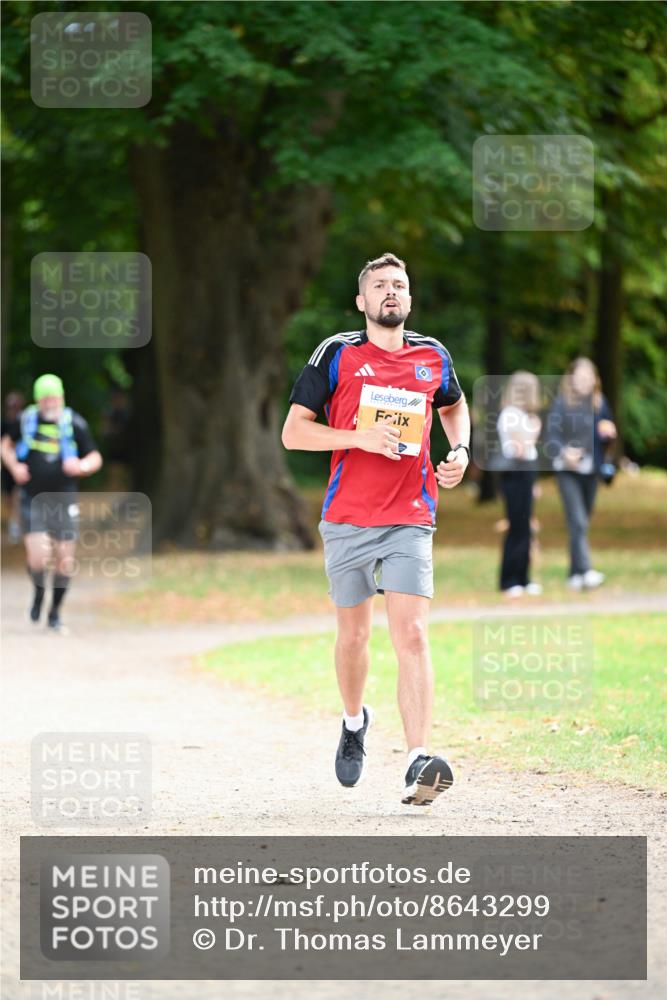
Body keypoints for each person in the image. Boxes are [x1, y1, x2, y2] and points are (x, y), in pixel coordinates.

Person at [282, 252, 470, 807]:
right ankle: (354, 719)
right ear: (361, 302)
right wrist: (358, 438)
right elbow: (294, 434)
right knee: (355, 637)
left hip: (411, 516)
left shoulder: (432, 356)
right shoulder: (336, 354)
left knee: (411, 634)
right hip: (347, 518)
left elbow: (454, 409)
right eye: (380, 286)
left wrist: (460, 450)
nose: (392, 292)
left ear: (409, 300)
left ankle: (418, 761)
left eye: (400, 285)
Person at [0, 373, 103, 633]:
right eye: (45, 398)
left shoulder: (74, 423)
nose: (50, 402)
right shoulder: (25, 421)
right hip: (32, 497)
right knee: (38, 557)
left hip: (64, 497)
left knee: (64, 559)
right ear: (38, 399)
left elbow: (95, 457)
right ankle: (38, 592)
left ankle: (55, 613)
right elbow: (5, 446)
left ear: (61, 397)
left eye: (54, 397)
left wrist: (81, 466)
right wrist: (14, 467)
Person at [545, 357, 616, 590]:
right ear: (571, 378)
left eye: (589, 376)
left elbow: (605, 438)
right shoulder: (561, 403)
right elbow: (551, 437)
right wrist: (565, 452)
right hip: (567, 470)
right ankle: (585, 571)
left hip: (591, 471)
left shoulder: (599, 402)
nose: (585, 380)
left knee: (581, 522)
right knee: (577, 520)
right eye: (580, 376)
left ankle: (574, 575)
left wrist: (608, 435)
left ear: (595, 379)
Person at [496, 371, 542, 597]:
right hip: (515, 473)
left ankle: (523, 578)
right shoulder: (511, 414)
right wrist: (535, 429)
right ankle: (509, 579)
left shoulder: (521, 414)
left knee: (526, 527)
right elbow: (522, 448)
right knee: (516, 526)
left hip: (526, 474)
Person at [1, 390, 25, 543]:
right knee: (8, 496)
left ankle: (16, 524)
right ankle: (12, 521)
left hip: (20, 464)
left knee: (18, 494)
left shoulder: (25, 422)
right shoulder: (3, 423)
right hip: (6, 466)